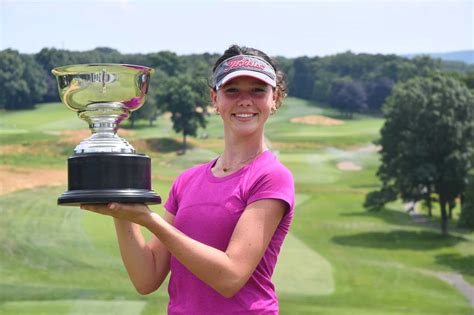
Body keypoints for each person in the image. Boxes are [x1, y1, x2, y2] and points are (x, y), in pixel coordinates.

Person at [81, 45, 295, 314]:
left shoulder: (271, 177)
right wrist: (119, 207)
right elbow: (146, 278)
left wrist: (149, 219)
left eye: (257, 90)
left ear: (274, 98)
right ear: (214, 98)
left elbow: (229, 277)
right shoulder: (187, 180)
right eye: (232, 90)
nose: (245, 100)